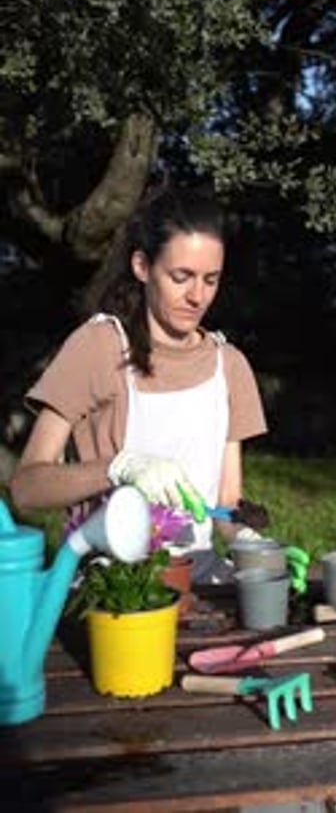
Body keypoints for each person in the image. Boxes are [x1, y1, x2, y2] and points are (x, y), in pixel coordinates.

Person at [10, 185, 268, 581]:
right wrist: (118, 468)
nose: (197, 296)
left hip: (199, 582)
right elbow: (27, 488)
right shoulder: (99, 347)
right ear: (142, 267)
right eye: (181, 277)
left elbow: (225, 503)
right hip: (114, 585)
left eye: (211, 280)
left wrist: (250, 544)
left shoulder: (229, 365)